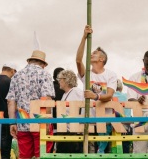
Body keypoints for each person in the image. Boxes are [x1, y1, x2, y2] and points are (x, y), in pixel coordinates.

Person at [76, 25, 117, 153]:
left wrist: (95, 96)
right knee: (89, 152)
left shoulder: (110, 74)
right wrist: (84, 37)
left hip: (105, 121)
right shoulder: (87, 73)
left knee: (104, 153)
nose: (91, 53)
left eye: (95, 53)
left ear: (101, 59)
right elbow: (78, 60)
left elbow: (109, 95)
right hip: (88, 121)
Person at [7, 50, 55, 159]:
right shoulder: (44, 74)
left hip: (22, 122)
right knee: (42, 156)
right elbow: (46, 99)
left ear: (29, 61)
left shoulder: (16, 76)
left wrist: (12, 123)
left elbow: (10, 101)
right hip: (40, 123)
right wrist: (47, 123)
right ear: (43, 64)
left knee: (24, 156)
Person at [0, 64, 16, 159]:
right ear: (12, 70)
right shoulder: (10, 82)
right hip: (5, 119)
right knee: (5, 151)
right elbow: (11, 102)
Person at [55, 70, 84, 153]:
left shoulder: (76, 92)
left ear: (66, 80)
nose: (58, 81)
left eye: (60, 79)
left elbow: (81, 109)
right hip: (65, 130)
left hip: (72, 132)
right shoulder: (65, 94)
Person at [113, 79, 132, 153]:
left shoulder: (109, 97)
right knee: (125, 151)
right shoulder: (127, 96)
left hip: (112, 127)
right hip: (126, 127)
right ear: (121, 88)